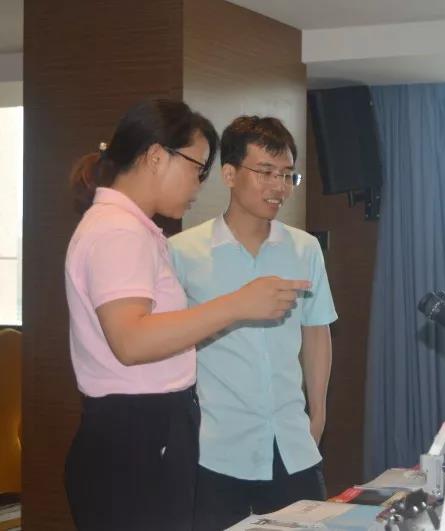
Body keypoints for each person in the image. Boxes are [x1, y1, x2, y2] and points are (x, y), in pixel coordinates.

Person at [64, 100, 310, 531]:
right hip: (137, 431)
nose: (199, 185)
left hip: (148, 428)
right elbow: (131, 341)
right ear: (156, 156)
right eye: (197, 168)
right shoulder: (119, 231)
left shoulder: (130, 228)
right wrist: (237, 304)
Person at [168, 116, 337, 531]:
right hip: (214, 449)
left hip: (292, 445)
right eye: (265, 172)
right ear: (229, 174)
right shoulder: (183, 252)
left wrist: (317, 414)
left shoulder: (305, 249)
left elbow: (316, 332)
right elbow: (167, 340)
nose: (279, 186)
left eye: (287, 174)